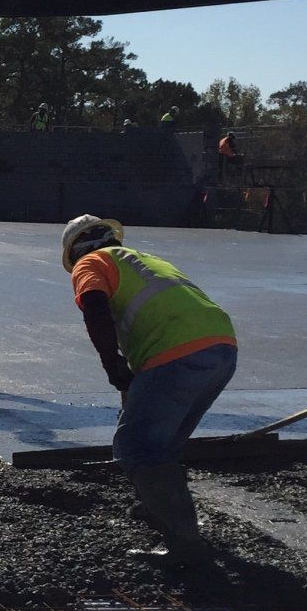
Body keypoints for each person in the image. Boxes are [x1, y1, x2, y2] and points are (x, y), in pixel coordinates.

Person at [61, 214, 237, 551]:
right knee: (163, 443)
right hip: (222, 347)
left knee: (136, 447)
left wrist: (111, 363)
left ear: (76, 251)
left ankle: (183, 544)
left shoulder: (91, 263)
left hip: (177, 353)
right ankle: (155, 505)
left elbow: (94, 305)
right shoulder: (146, 261)